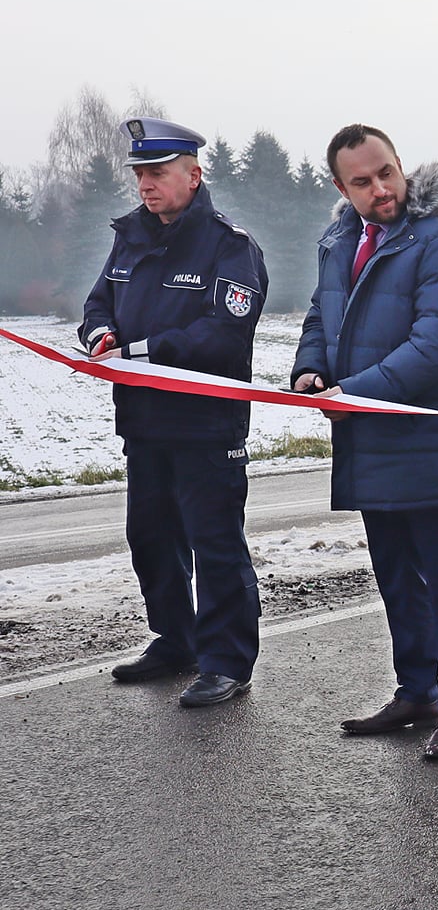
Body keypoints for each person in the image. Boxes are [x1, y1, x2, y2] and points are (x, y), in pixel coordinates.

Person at [291, 124, 438, 761]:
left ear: (401, 167)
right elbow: (323, 315)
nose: (381, 190)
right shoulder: (339, 240)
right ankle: (416, 691)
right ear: (340, 187)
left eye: (387, 174)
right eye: (363, 181)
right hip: (371, 438)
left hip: (429, 438)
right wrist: (310, 372)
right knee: (396, 576)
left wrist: (355, 394)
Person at [79, 117, 266, 709]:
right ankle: (175, 639)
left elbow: (224, 336)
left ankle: (227, 660)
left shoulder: (229, 246)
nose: (146, 186)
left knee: (214, 544)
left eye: (157, 173)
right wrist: (101, 332)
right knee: (151, 536)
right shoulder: (129, 237)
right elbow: (98, 302)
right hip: (143, 421)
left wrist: (146, 350)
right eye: (139, 175)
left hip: (206, 424)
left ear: (194, 174)